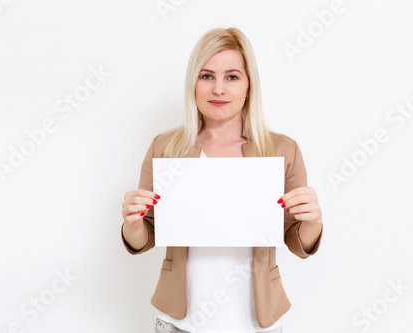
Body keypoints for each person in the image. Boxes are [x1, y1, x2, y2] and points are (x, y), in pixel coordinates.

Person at [120, 27, 324, 333]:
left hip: (258, 323)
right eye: (207, 76)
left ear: (248, 86)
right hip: (180, 323)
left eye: (232, 77)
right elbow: (144, 237)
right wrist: (132, 223)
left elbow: (297, 242)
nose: (218, 89)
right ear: (193, 84)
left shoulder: (283, 150)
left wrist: (313, 221)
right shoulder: (165, 149)